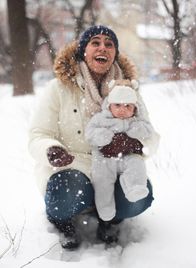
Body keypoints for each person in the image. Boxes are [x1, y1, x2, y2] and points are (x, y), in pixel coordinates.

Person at [28, 25, 159, 250]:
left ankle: (111, 219)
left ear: (115, 53)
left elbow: (151, 135)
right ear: (83, 51)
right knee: (65, 194)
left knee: (138, 197)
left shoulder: (129, 91)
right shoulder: (59, 88)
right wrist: (51, 150)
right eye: (95, 42)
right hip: (75, 166)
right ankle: (64, 221)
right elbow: (38, 134)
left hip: (116, 165)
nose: (103, 48)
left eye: (109, 44)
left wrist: (134, 144)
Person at [85, 79, 155, 222]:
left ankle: (134, 188)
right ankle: (105, 210)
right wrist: (104, 137)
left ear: (135, 108)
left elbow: (148, 130)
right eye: (117, 105)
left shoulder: (135, 120)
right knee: (102, 180)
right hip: (104, 159)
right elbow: (89, 133)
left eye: (128, 106)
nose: (122, 110)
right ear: (109, 105)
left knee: (137, 164)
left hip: (128, 156)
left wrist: (135, 132)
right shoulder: (100, 119)